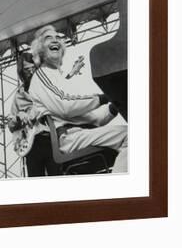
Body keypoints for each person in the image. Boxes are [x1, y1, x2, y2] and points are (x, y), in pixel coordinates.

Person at [28, 25, 127, 173]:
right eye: (49, 38)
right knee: (133, 136)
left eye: (58, 38)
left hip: (84, 133)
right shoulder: (41, 74)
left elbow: (96, 119)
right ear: (40, 50)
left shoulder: (62, 79)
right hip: (69, 137)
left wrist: (113, 106)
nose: (55, 40)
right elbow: (65, 106)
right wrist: (102, 98)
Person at [7, 52, 61, 177]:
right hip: (30, 145)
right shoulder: (18, 95)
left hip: (49, 139)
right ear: (21, 72)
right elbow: (10, 125)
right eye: (27, 70)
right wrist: (18, 117)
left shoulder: (45, 88)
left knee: (57, 179)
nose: (31, 72)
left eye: (33, 68)